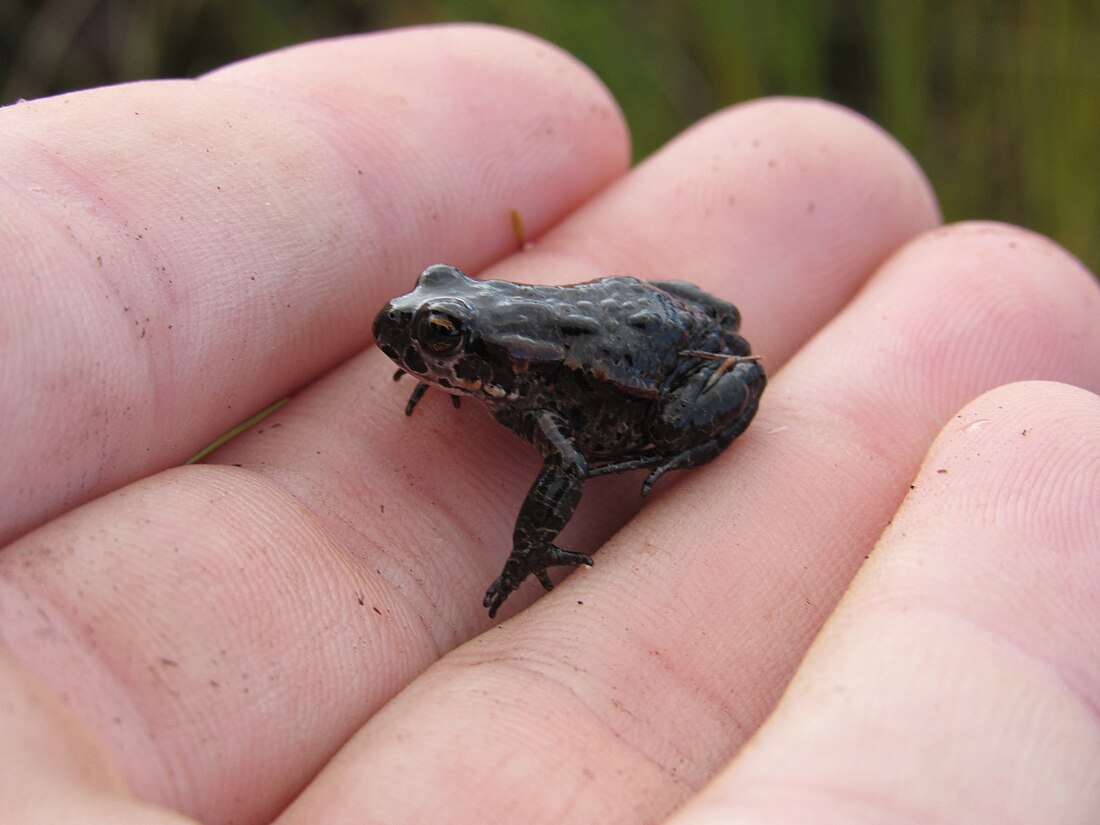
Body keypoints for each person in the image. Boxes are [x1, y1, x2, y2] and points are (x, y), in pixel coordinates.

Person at [1, 24, 1097, 825]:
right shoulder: (491, 364)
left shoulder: (526, 389)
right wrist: (459, 365)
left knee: (707, 389)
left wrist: (541, 537)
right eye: (434, 327)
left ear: (477, 353)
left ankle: (676, 439)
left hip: (654, 365)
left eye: (437, 339)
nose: (414, 344)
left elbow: (570, 457)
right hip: (615, 312)